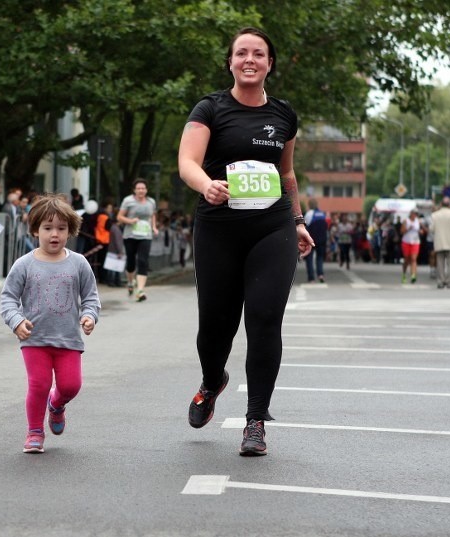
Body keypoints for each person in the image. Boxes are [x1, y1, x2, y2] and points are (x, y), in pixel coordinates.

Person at [177, 27, 314, 456]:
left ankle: (256, 421)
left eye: (259, 53)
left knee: (264, 317)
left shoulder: (284, 115)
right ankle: (213, 379)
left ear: (270, 63)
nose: (250, 59)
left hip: (271, 228)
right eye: (242, 53)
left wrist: (297, 220)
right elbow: (187, 161)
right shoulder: (210, 108)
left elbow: (286, 174)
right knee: (215, 326)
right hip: (219, 226)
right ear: (231, 62)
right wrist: (206, 185)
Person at [0, 194, 101, 454]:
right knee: (39, 384)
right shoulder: (24, 264)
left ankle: (56, 406)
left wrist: (89, 316)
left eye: (61, 228)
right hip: (34, 339)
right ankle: (34, 431)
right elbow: (8, 299)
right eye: (47, 228)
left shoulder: (79, 263)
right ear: (35, 230)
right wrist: (17, 321)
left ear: (70, 230)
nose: (54, 234)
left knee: (70, 386)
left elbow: (91, 297)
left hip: (68, 338)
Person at [117, 179, 158, 302]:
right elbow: (119, 216)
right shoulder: (128, 201)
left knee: (143, 260)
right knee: (131, 262)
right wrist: (130, 221)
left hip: (145, 235)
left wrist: (154, 227)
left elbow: (153, 215)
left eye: (143, 188)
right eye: (138, 188)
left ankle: (140, 290)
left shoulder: (151, 201)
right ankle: (130, 282)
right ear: (134, 190)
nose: (141, 190)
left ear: (146, 190)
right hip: (130, 235)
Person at [304, 198, 328, 282]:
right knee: (320, 258)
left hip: (312, 239)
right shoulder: (322, 214)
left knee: (309, 258)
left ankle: (311, 278)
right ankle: (320, 275)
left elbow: (305, 227)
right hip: (322, 239)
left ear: (309, 205)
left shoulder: (309, 214)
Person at [400, 209, 424, 284]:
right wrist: (408, 228)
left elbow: (422, 230)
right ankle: (404, 274)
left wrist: (421, 231)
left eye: (416, 214)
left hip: (415, 242)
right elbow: (402, 232)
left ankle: (413, 275)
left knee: (413, 259)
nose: (415, 215)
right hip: (406, 242)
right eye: (414, 214)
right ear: (411, 214)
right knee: (407, 260)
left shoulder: (418, 221)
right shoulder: (406, 221)